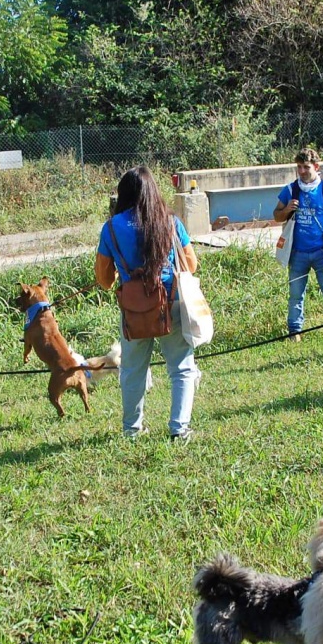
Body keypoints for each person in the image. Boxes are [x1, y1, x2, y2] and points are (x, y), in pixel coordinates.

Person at [96, 165, 200, 442]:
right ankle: (179, 429)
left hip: (134, 309)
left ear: (123, 194)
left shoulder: (111, 228)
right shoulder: (171, 221)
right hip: (171, 302)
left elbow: (104, 280)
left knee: (132, 370)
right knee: (181, 367)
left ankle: (132, 430)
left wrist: (121, 270)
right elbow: (191, 264)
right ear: (153, 191)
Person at [272, 147, 323, 341]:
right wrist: (287, 209)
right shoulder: (290, 190)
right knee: (296, 294)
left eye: (306, 167)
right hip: (297, 253)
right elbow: (277, 216)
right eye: (299, 167)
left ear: (316, 167)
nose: (302, 171)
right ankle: (295, 332)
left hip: (322, 252)